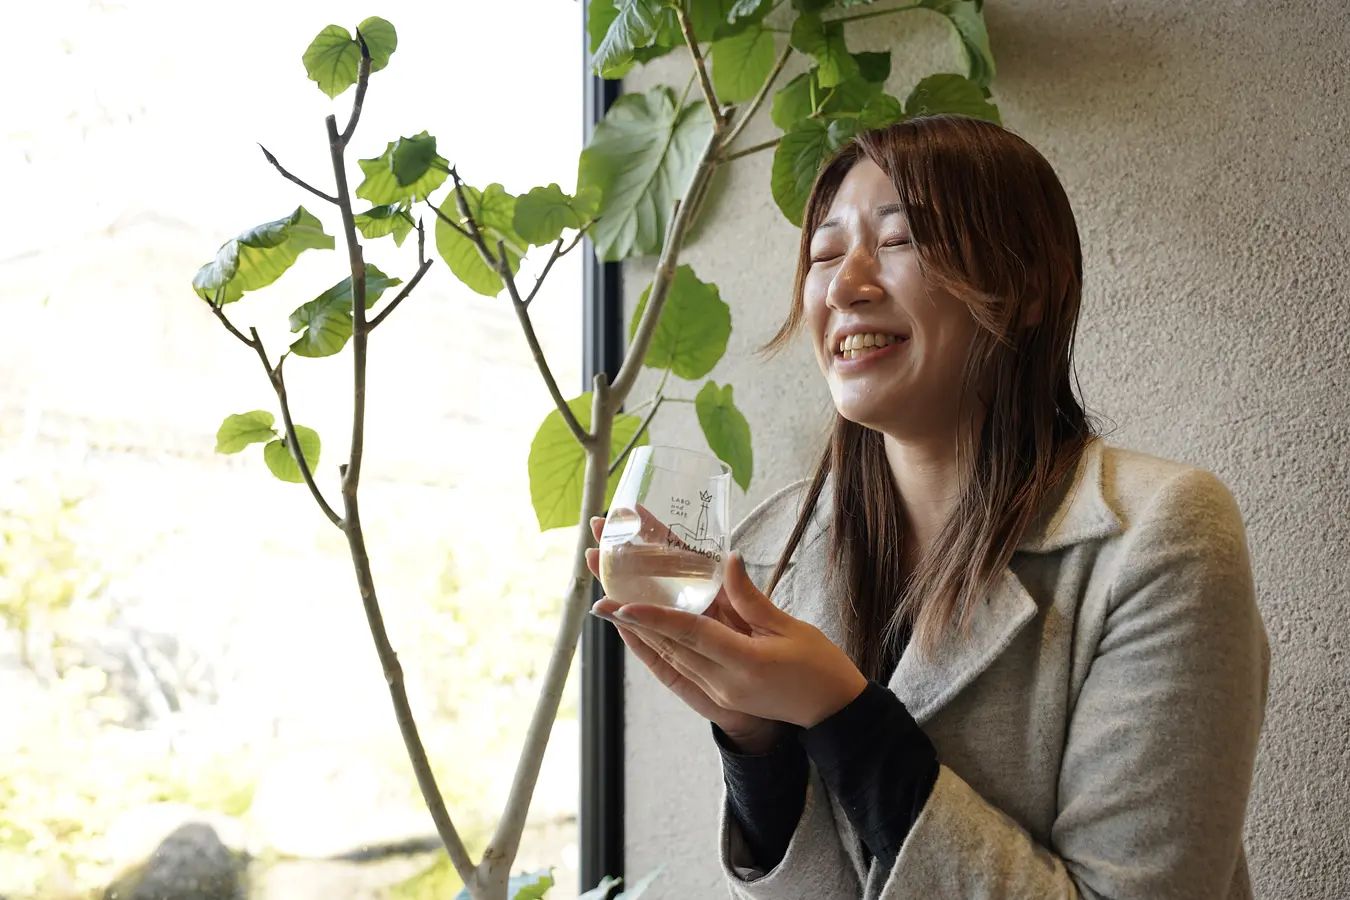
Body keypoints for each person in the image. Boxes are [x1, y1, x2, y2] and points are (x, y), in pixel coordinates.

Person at [586, 115, 1269, 900]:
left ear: (1027, 289)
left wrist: (841, 714)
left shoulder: (1162, 535)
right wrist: (757, 745)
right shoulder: (776, 547)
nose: (845, 286)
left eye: (900, 240)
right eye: (823, 254)